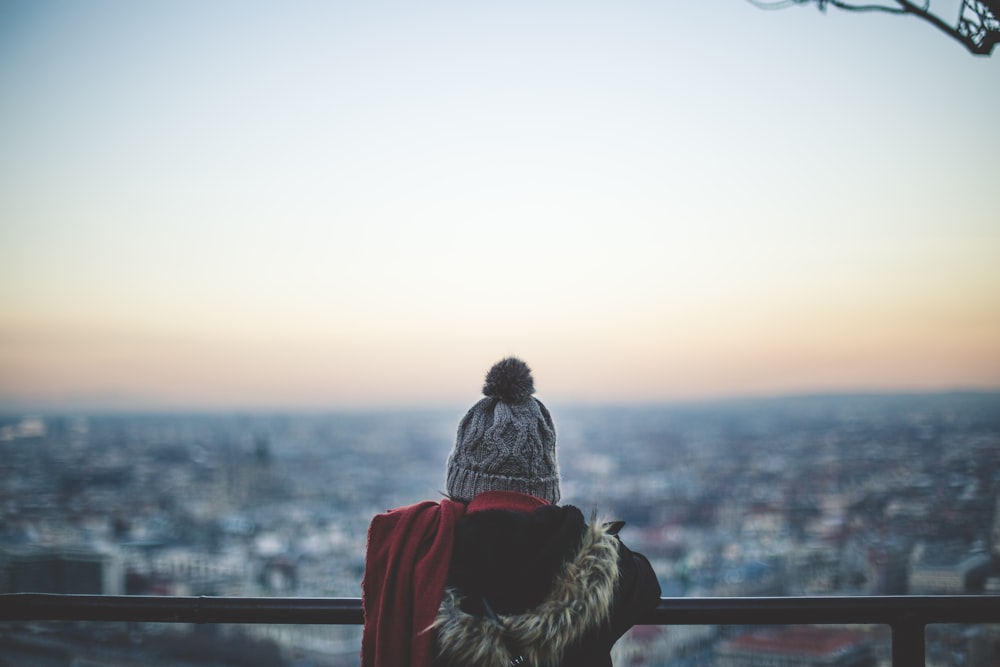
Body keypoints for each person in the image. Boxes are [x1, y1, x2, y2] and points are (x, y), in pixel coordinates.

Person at [361, 357, 660, 667]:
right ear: (545, 480)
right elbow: (647, 586)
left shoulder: (427, 554)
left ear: (463, 480)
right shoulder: (595, 560)